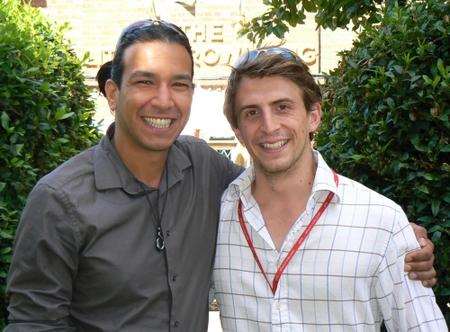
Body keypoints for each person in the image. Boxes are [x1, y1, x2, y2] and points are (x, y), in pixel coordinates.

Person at [5, 20, 437, 331]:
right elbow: (32, 322)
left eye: (179, 83)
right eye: (144, 82)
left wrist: (396, 234)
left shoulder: (205, 170)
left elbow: (277, 179)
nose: (163, 100)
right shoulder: (59, 200)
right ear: (113, 93)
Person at [212, 47, 447, 331]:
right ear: (238, 130)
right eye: (251, 113)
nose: (269, 125)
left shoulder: (381, 222)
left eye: (282, 107)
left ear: (314, 116)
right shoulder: (215, 217)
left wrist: (400, 237)